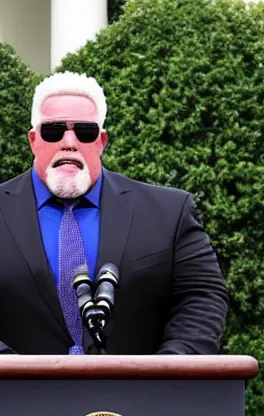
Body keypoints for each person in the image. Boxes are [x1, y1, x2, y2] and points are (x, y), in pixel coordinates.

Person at [0, 71, 228, 355]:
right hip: (14, 396)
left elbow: (201, 297)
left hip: (140, 396)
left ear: (101, 141)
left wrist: (168, 371)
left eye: (85, 131)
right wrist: (14, 378)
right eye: (53, 131)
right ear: (34, 140)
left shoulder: (169, 213)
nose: (69, 142)